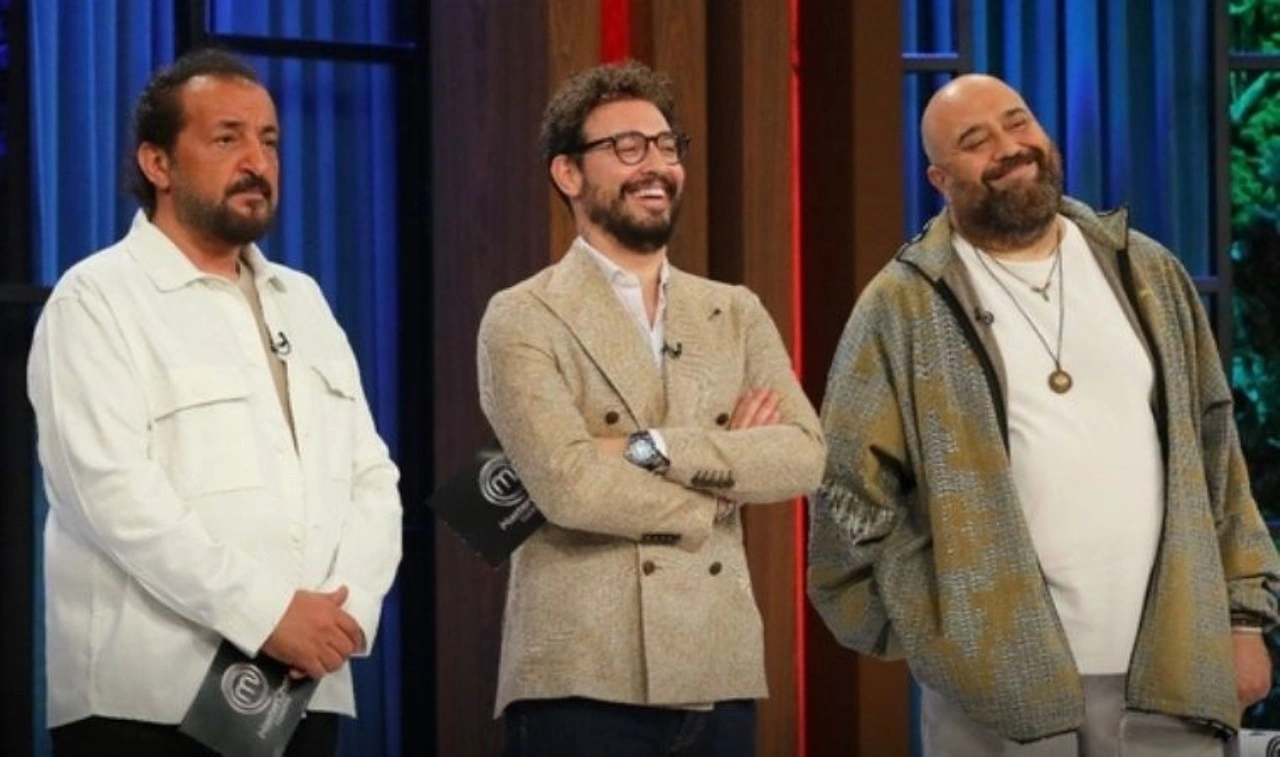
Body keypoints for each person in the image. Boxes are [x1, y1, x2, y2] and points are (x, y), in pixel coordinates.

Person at [808, 72, 1280, 756]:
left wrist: (1242, 620)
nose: (1009, 147)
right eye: (975, 141)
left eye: (1017, 122)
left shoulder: (1147, 271)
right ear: (940, 179)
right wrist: (937, 628)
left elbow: (1217, 458)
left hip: (1175, 672)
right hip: (996, 693)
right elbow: (846, 489)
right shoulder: (903, 304)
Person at [28, 48, 402, 757]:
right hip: (148, 701)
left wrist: (342, 615)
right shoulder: (97, 298)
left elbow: (371, 477)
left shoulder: (304, 300)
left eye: (269, 141)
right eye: (227, 138)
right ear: (157, 163)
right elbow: (111, 493)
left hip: (303, 687)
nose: (257, 161)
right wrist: (267, 615)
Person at [476, 60, 825, 756]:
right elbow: (569, 486)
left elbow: (804, 456)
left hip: (717, 670)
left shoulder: (735, 310)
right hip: (581, 678)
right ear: (568, 173)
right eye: (627, 147)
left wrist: (653, 448)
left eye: (667, 145)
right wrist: (720, 491)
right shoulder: (522, 315)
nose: (657, 165)